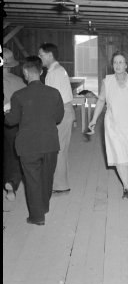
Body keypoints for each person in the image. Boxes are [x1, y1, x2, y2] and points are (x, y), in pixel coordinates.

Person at [4, 56, 64, 225]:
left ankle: (37, 216)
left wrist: (6, 113)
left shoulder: (18, 96)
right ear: (42, 71)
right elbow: (59, 118)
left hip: (28, 145)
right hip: (50, 143)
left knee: (32, 180)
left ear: (24, 73)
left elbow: (11, 121)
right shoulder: (54, 93)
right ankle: (44, 207)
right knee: (46, 178)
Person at [88, 51, 128, 199]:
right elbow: (101, 101)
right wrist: (94, 120)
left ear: (126, 65)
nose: (118, 65)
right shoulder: (107, 81)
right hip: (113, 124)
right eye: (115, 62)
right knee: (120, 156)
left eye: (121, 62)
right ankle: (126, 187)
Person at [38, 43, 75, 194]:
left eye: (41, 55)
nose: (40, 58)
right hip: (64, 111)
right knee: (60, 149)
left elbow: (53, 99)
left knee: (57, 149)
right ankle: (59, 182)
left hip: (61, 112)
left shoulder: (55, 73)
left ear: (49, 55)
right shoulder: (56, 71)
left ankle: (61, 186)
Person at [3, 48, 26, 201]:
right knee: (14, 154)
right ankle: (11, 182)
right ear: (10, 65)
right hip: (12, 122)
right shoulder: (18, 82)